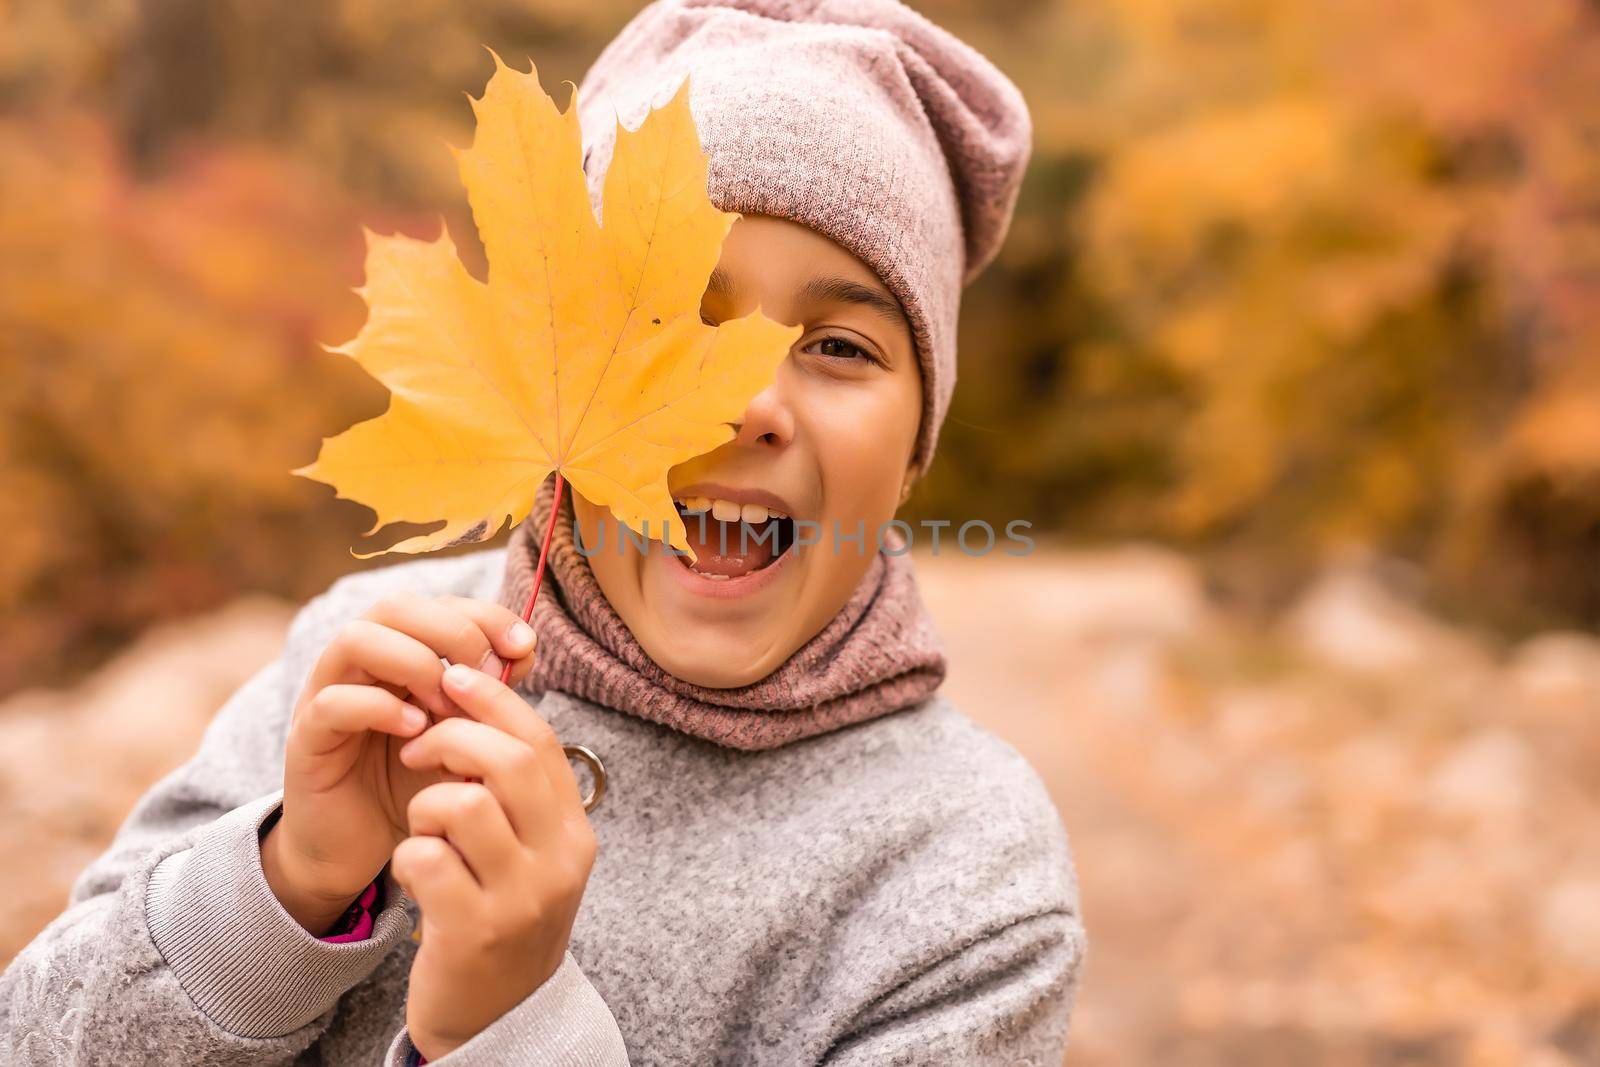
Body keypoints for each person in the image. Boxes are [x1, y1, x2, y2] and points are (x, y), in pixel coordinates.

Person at [0, 1, 1085, 1063]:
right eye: (662, 325)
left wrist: (509, 1027)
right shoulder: (365, 666)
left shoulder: (969, 869)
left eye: (840, 346)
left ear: (913, 453)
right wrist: (288, 879)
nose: (747, 400)